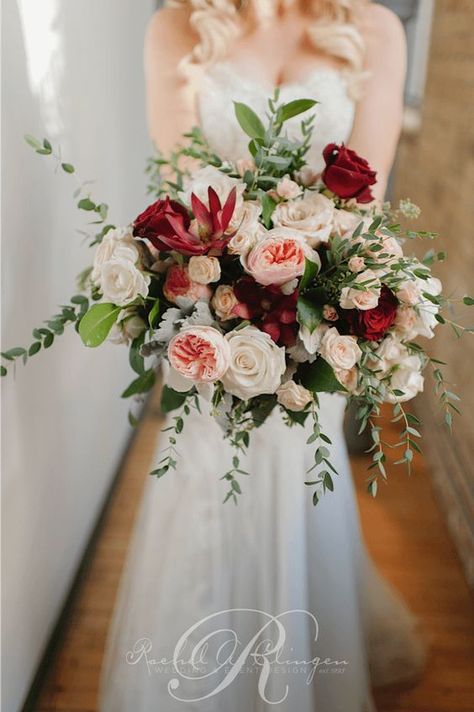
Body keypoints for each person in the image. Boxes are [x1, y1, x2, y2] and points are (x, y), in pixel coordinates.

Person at [100, 2, 426, 710]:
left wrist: (310, 299)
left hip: (317, 322)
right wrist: (233, 284)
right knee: (206, 485)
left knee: (300, 485)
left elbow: (363, 206)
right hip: (215, 314)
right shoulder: (177, 27)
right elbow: (180, 196)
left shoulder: (374, 30)